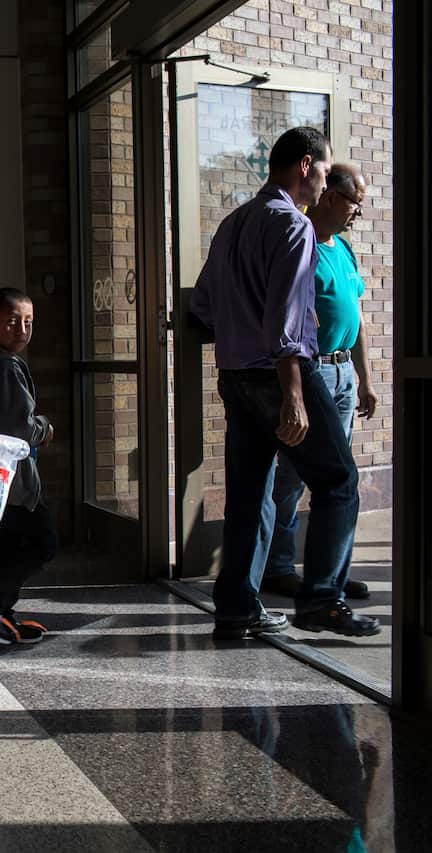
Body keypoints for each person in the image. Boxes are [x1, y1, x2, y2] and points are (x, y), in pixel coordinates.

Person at [191, 127, 379, 639]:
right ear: (304, 166)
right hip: (279, 378)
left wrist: (237, 333)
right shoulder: (293, 226)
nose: (325, 183)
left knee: (251, 495)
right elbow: (289, 320)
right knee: (339, 482)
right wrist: (293, 394)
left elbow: (202, 305)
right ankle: (322, 600)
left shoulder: (232, 224)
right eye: (324, 171)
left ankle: (235, 610)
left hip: (236, 378)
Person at [262, 163, 374, 601]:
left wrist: (364, 378)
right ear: (330, 196)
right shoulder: (303, 241)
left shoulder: (343, 249)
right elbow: (288, 313)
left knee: (339, 476)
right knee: (293, 474)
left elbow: (357, 317)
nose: (356, 213)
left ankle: (330, 573)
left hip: (343, 371)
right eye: (354, 203)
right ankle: (279, 566)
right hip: (313, 370)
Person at [0, 287, 56, 645]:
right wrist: (44, 429)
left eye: (28, 322)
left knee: (9, 545)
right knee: (39, 540)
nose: (21, 330)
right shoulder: (4, 367)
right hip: (11, 481)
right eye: (12, 321)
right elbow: (18, 426)